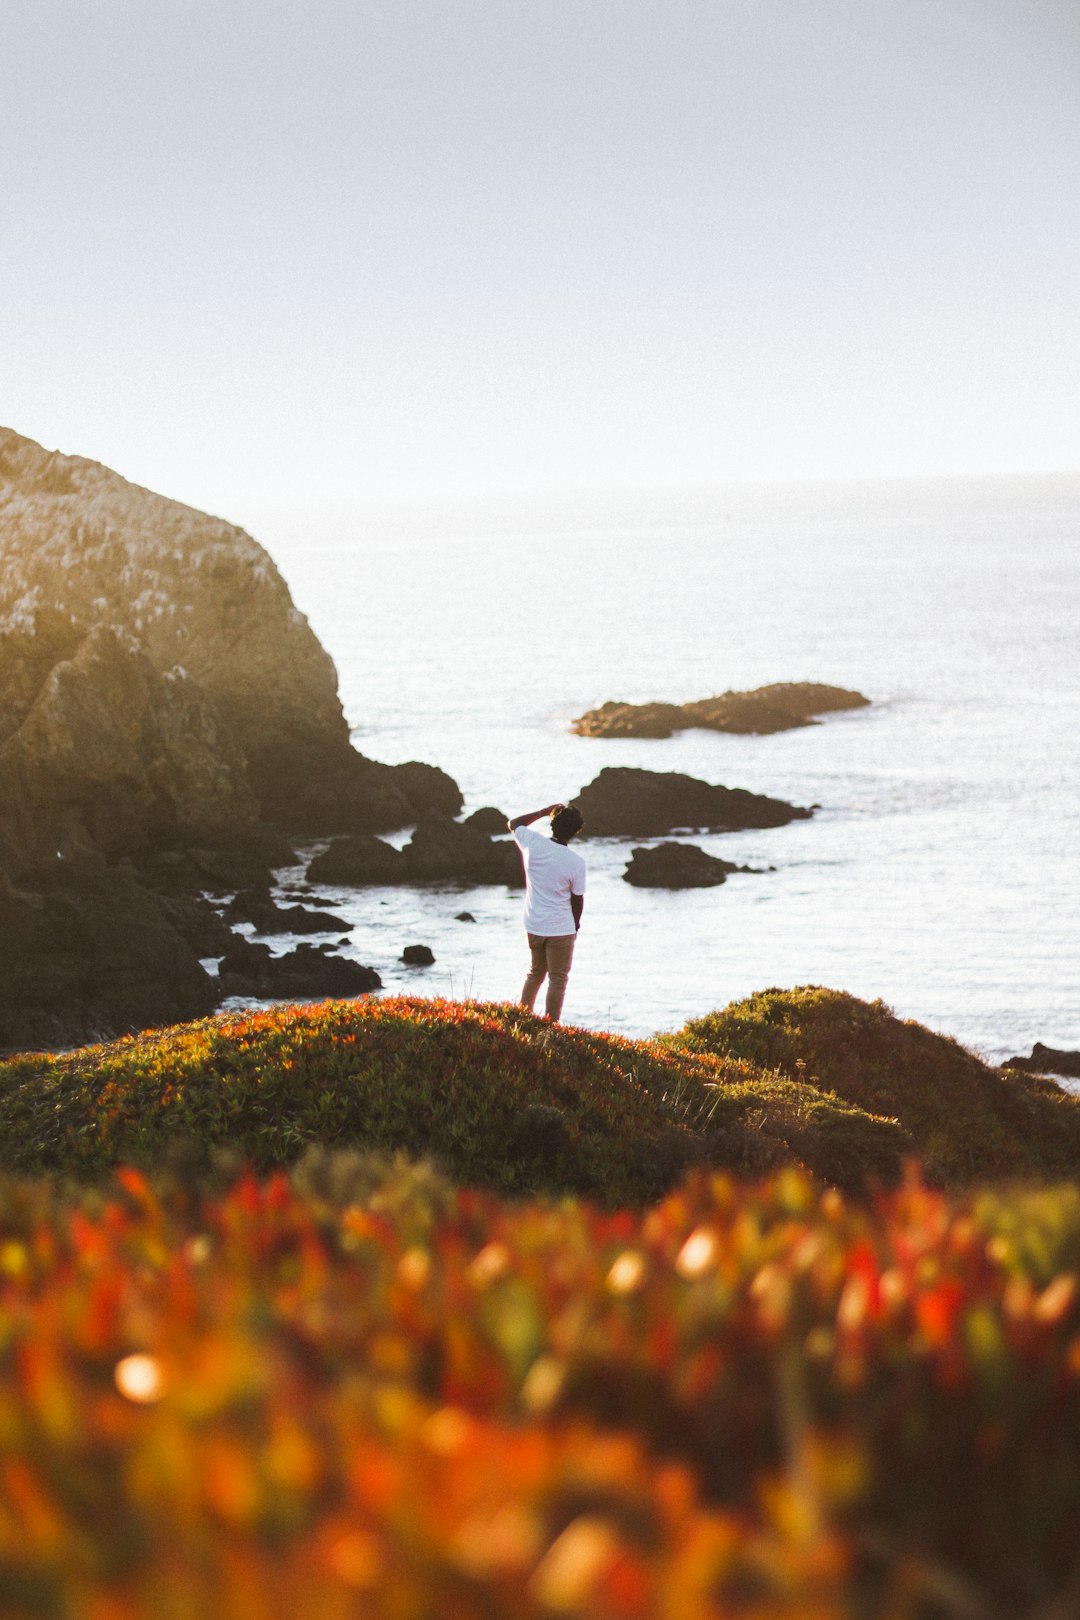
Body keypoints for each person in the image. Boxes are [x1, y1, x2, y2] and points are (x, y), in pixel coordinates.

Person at [508, 801, 586, 1022]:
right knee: (558, 979)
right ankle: (550, 1026)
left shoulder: (532, 843)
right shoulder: (576, 862)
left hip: (533, 923)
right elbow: (577, 900)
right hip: (560, 928)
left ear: (553, 823)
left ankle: (522, 1019)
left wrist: (543, 812)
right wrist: (575, 926)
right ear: (575, 832)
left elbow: (514, 823)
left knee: (535, 973)